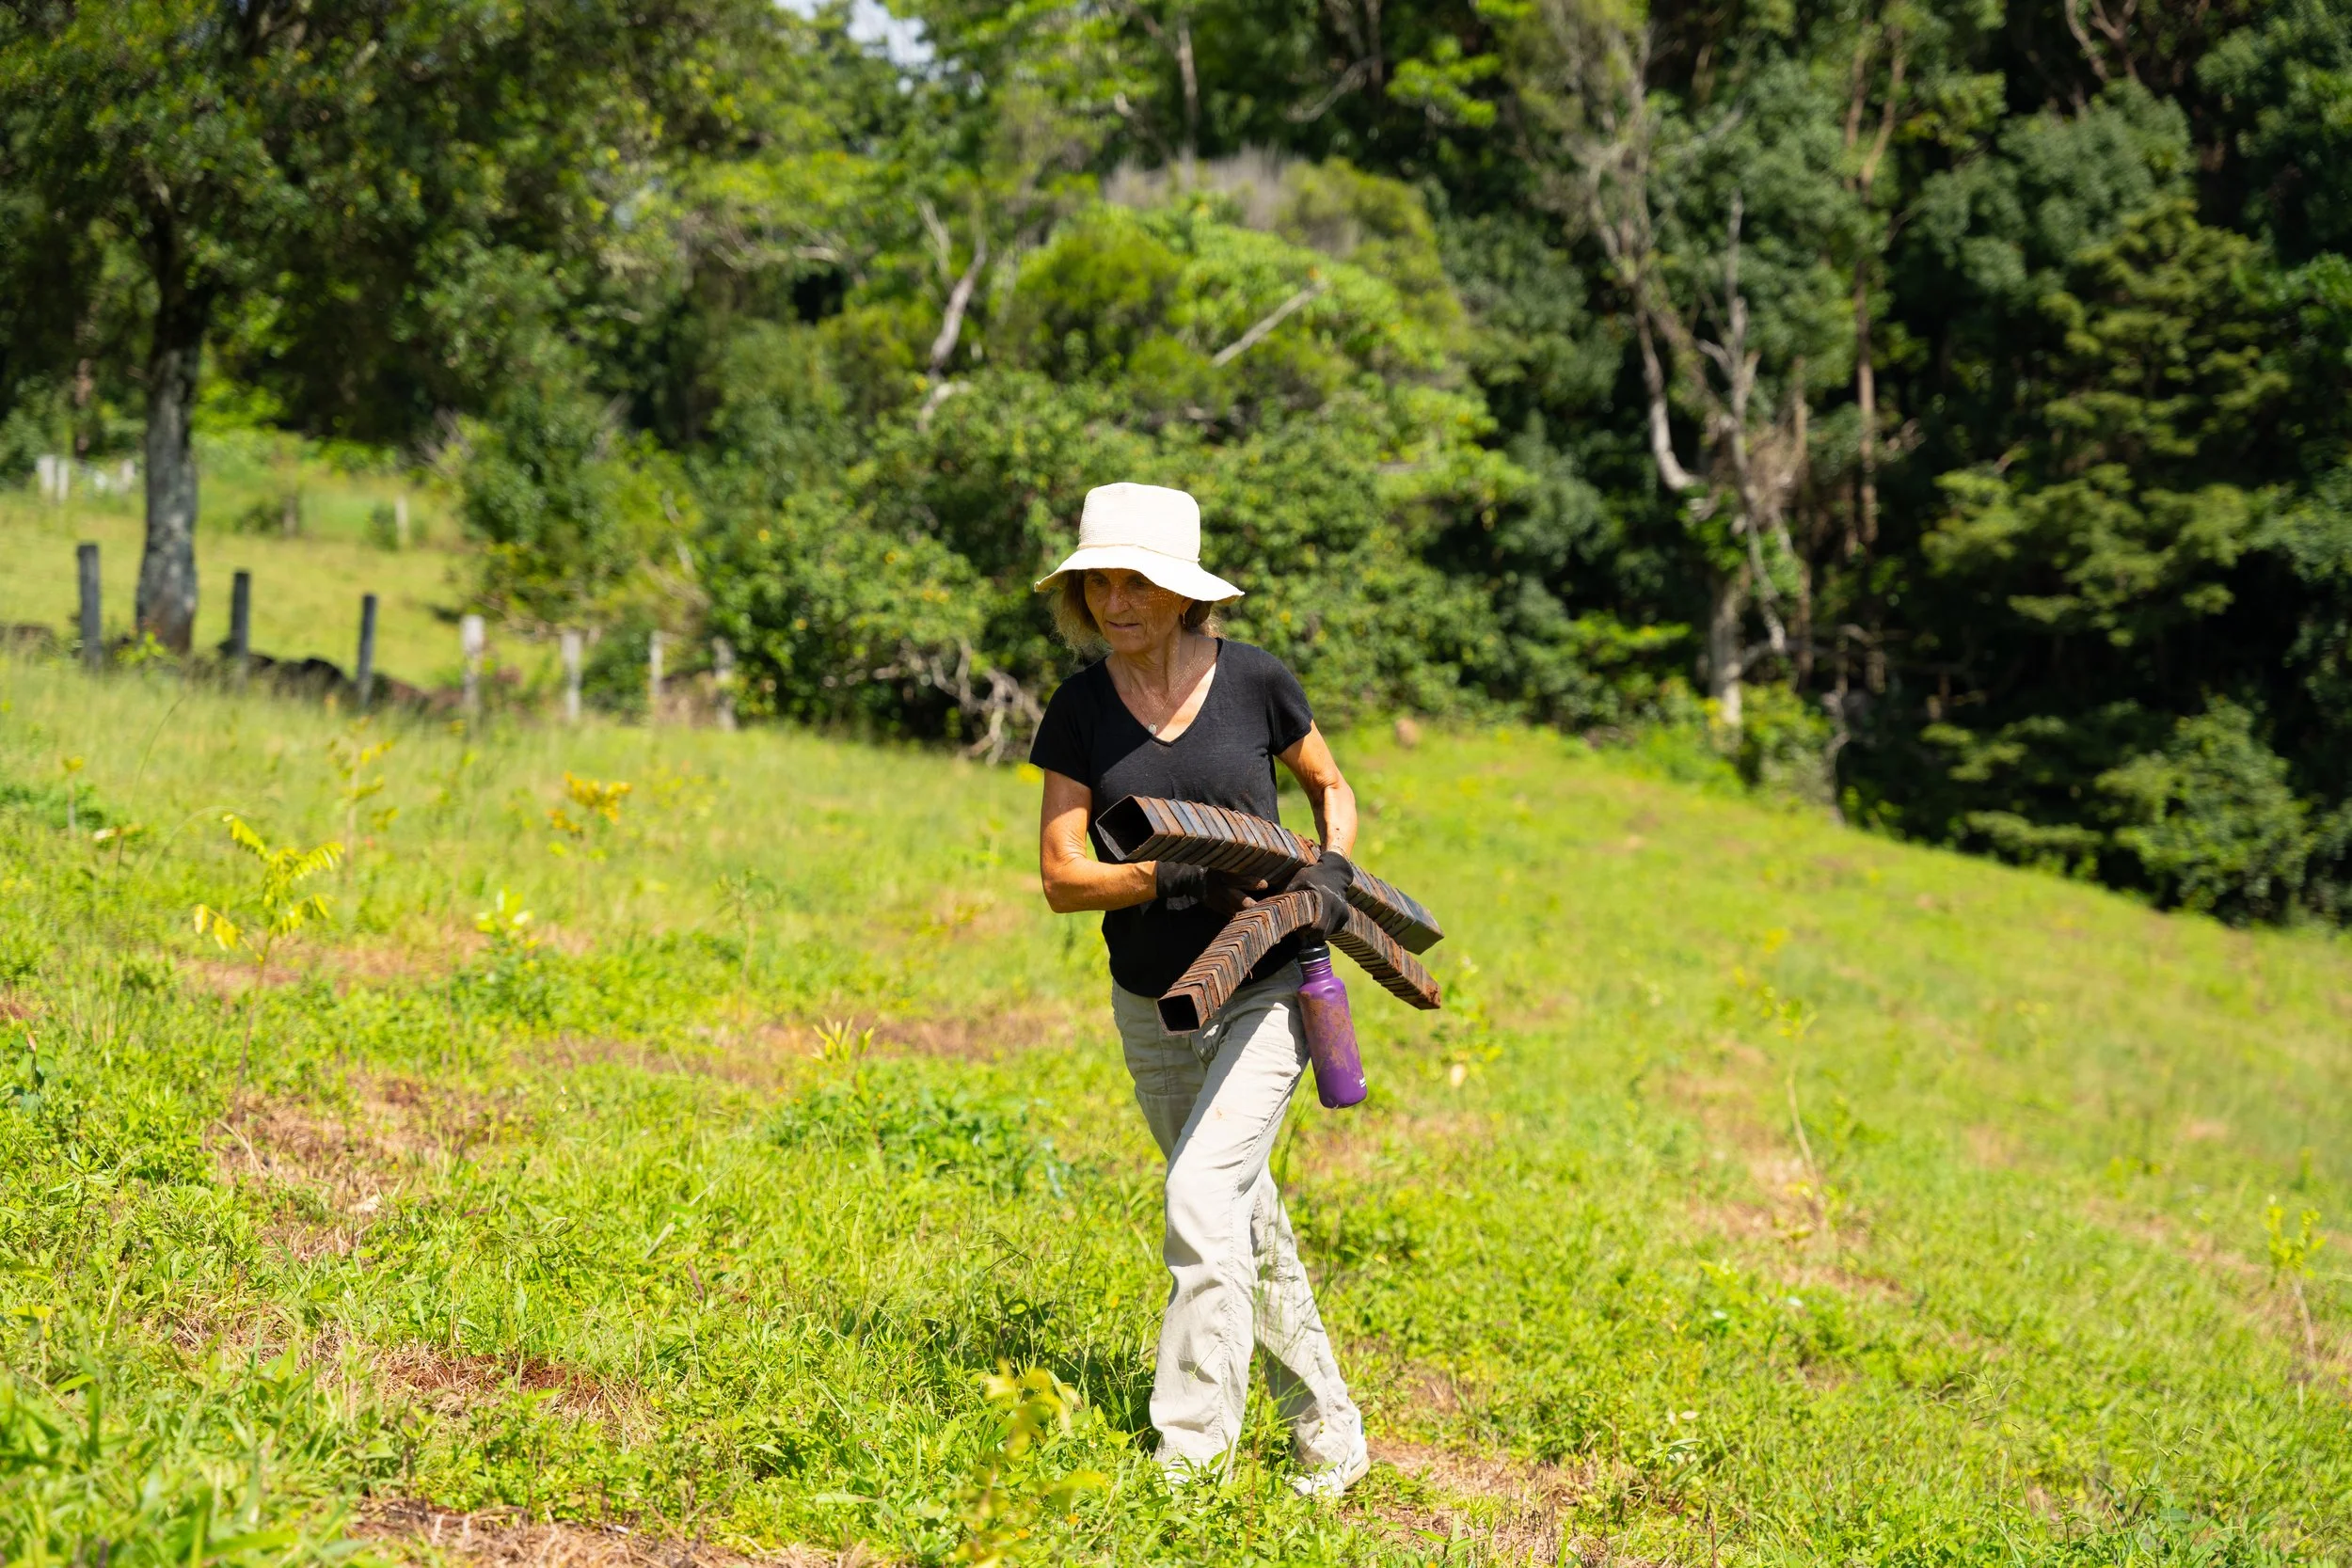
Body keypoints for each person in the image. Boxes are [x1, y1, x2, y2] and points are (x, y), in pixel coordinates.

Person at [1027, 481, 1370, 1498]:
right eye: (1099, 582)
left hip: (1263, 986)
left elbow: (1332, 786)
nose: (1115, 600)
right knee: (1237, 1215)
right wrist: (1167, 873)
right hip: (1152, 1000)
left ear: (1183, 593)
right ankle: (1330, 1432)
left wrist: (1334, 869)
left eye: (1137, 580)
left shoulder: (1257, 680)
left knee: (1196, 1196)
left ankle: (1189, 1463)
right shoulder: (1079, 708)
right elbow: (1058, 876)